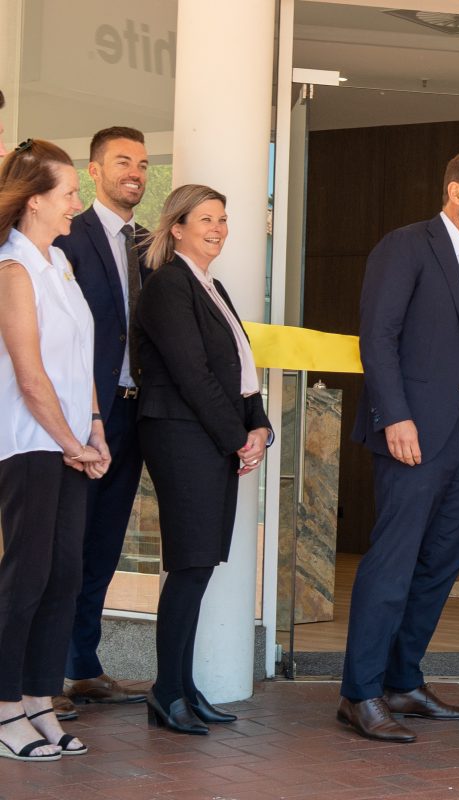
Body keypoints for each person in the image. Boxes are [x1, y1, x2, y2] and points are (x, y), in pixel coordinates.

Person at [339, 142, 459, 742]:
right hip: (412, 433)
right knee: (392, 562)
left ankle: (402, 682)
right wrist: (395, 416)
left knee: (439, 566)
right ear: (456, 191)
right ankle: (359, 693)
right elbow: (377, 337)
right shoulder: (406, 245)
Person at [133, 184, 271, 735]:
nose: (217, 228)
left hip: (211, 436)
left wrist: (258, 423)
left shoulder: (211, 286)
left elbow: (240, 367)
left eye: (223, 219)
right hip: (180, 434)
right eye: (205, 219)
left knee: (201, 562)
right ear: (177, 228)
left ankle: (185, 689)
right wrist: (237, 436)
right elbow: (192, 373)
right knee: (189, 564)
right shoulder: (168, 285)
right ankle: (167, 693)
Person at [0, 138, 110, 761]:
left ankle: (40, 698)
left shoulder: (60, 264)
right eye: (69, 192)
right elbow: (29, 373)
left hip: (69, 444)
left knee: (63, 575)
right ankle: (4, 706)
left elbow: (80, 358)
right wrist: (72, 442)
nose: (76, 203)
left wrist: (94, 427)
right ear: (36, 201)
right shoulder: (12, 270)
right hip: (30, 445)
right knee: (27, 575)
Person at [52, 127, 151, 719]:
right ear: (94, 171)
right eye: (122, 161)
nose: (134, 171)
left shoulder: (147, 244)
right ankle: (46, 672)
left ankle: (83, 667)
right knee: (65, 545)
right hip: (79, 417)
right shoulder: (68, 236)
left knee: (104, 547)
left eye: (142, 162)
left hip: (134, 415)